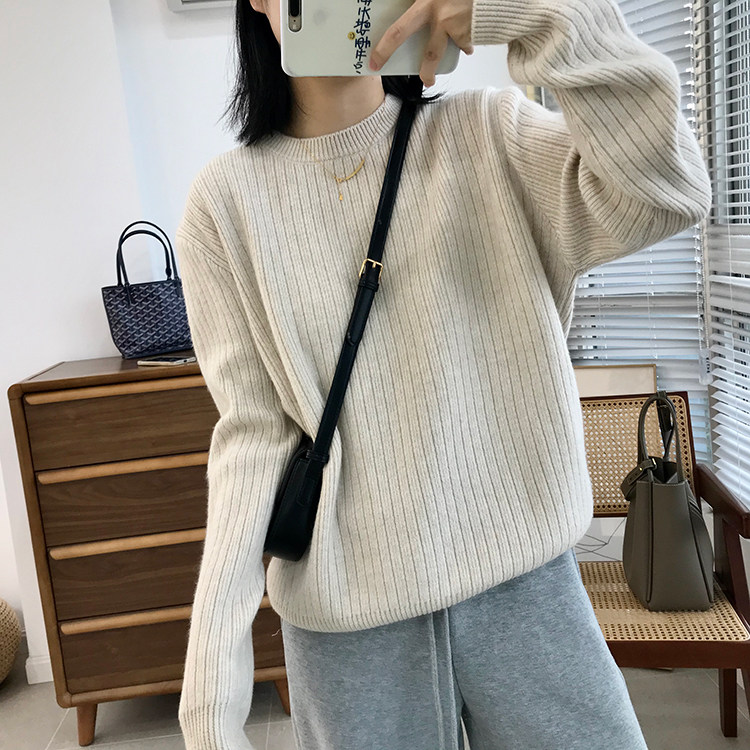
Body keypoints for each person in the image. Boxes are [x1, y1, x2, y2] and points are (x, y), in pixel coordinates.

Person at [174, 0, 712, 748]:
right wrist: (210, 691)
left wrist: (534, 12)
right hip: (346, 628)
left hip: (526, 593)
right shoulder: (224, 203)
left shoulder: (491, 134)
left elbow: (667, 193)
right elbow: (252, 438)